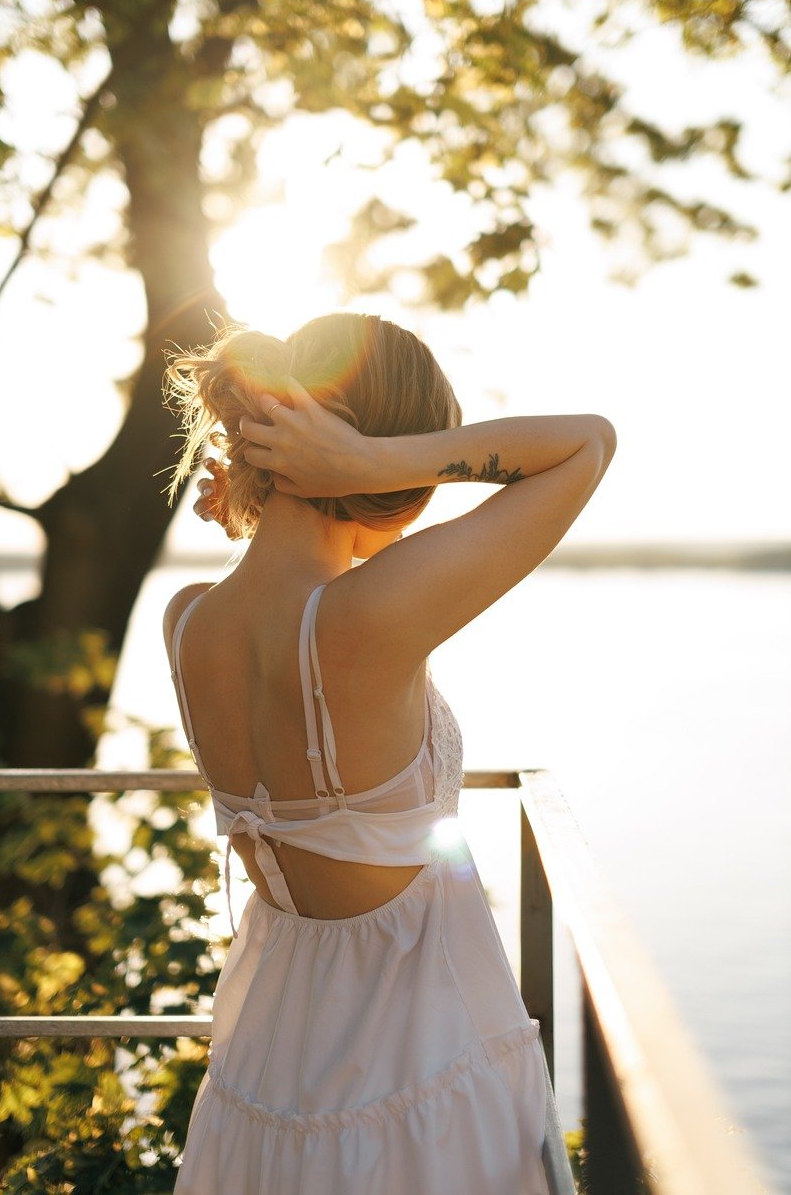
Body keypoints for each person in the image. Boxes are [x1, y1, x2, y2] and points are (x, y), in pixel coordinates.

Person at [162, 312, 616, 1193]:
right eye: (420, 467)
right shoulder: (369, 614)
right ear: (369, 460)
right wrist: (379, 463)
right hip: (415, 1044)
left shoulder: (187, 621)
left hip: (275, 1038)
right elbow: (586, 446)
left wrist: (277, 500)